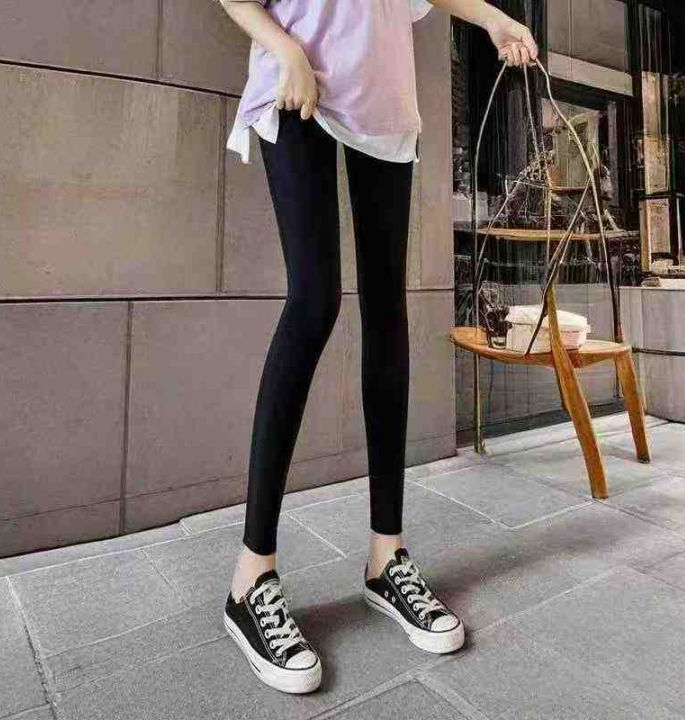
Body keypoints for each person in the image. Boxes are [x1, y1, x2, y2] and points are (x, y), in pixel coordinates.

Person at [218, 0, 537, 694]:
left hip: (383, 97)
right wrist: (285, 49)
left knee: (387, 312)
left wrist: (491, 18)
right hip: (298, 80)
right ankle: (251, 577)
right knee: (314, 302)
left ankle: (385, 559)